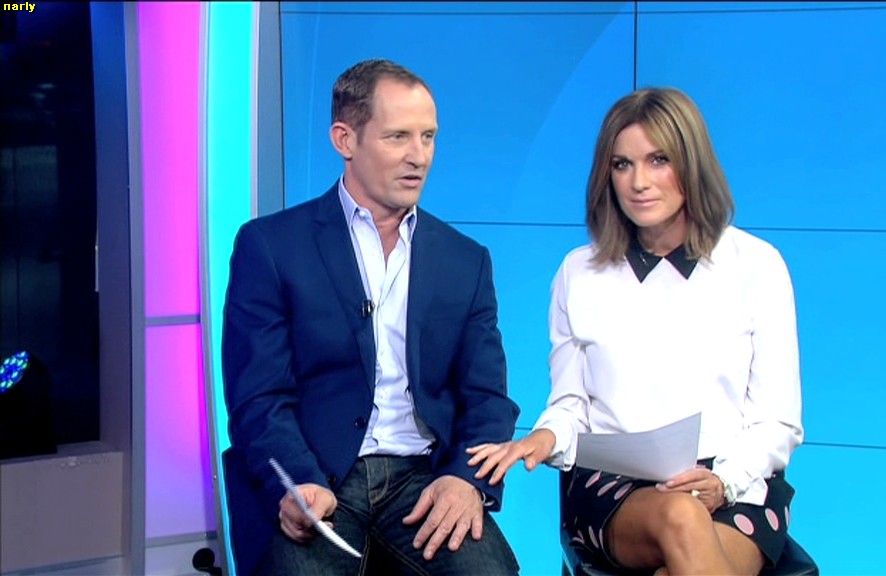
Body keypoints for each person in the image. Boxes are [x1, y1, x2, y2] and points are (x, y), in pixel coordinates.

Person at [468, 87, 804, 576]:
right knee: (681, 517)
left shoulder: (757, 265)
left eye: (658, 160)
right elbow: (572, 405)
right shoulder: (578, 272)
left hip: (734, 485)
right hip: (613, 489)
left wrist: (725, 482)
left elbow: (777, 421)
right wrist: (545, 437)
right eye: (622, 165)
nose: (639, 182)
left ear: (691, 163)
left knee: (682, 550)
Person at [222, 58, 520, 576]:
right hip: (318, 471)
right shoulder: (271, 246)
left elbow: (487, 399)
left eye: (428, 137)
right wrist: (297, 480)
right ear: (345, 139)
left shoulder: (465, 260)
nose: (418, 156)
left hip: (423, 477)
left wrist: (466, 480)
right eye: (398, 136)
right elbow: (258, 396)